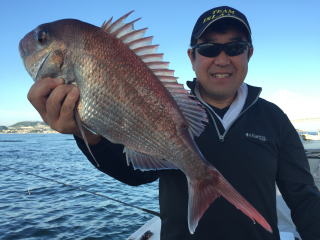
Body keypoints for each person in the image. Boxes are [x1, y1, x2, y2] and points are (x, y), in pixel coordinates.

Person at [27, 6, 320, 240]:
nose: (221, 59)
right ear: (192, 57)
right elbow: (135, 174)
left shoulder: (274, 118)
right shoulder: (168, 104)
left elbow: (303, 196)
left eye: (234, 48)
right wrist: (88, 136)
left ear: (249, 54)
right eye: (208, 49)